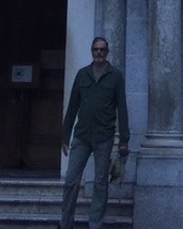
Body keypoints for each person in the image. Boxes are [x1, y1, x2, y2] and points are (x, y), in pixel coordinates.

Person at [59, 36, 129, 229]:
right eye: (96, 49)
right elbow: (73, 106)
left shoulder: (115, 76)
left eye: (102, 50)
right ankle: (65, 224)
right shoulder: (82, 74)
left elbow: (121, 108)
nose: (99, 53)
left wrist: (124, 140)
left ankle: (95, 225)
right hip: (81, 136)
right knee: (71, 180)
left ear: (107, 52)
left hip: (104, 137)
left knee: (100, 183)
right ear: (92, 51)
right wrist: (65, 136)